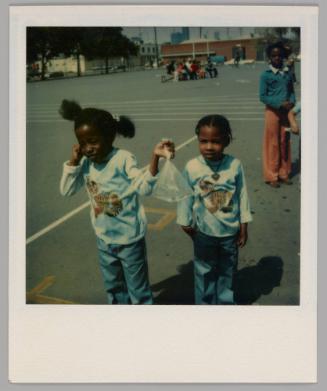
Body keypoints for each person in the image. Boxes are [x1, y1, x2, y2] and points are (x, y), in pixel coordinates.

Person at [59, 100, 174, 304]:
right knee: (114, 287)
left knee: (138, 291)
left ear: (109, 136)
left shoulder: (123, 158)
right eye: (82, 143)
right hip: (104, 238)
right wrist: (73, 163)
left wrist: (155, 159)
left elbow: (144, 186)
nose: (88, 148)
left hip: (129, 239)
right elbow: (67, 191)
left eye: (93, 141)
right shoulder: (85, 163)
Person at [177, 115, 252, 305]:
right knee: (204, 271)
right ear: (198, 140)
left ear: (226, 141)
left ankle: (225, 305)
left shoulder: (234, 165)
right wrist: (184, 221)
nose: (209, 146)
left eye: (215, 141)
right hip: (204, 232)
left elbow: (242, 195)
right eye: (204, 141)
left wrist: (244, 225)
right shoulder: (192, 166)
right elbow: (185, 194)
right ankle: (205, 306)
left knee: (227, 271)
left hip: (229, 233)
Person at [259, 41, 296, 188]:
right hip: (273, 112)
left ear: (283, 56)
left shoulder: (287, 73)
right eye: (273, 55)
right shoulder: (265, 75)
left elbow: (291, 91)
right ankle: (272, 175)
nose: (277, 58)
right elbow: (262, 96)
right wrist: (278, 104)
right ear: (269, 57)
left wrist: (292, 102)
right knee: (273, 143)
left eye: (279, 55)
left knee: (284, 141)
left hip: (286, 112)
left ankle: (284, 173)